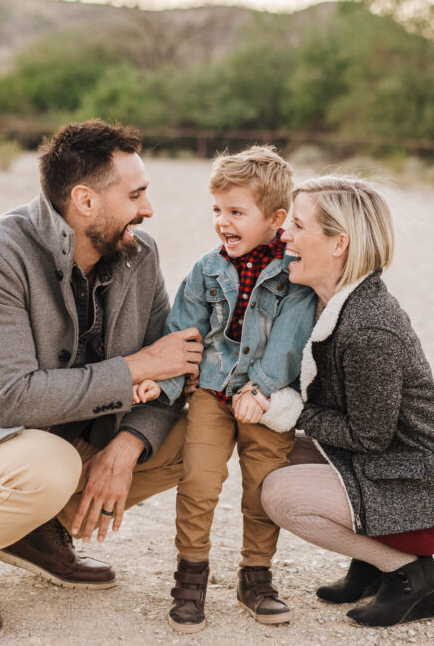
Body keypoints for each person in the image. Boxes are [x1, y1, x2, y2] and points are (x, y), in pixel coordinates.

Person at [0, 120, 204, 641]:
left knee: (196, 437)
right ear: (85, 201)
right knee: (48, 466)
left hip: (65, 440)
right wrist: (138, 367)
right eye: (136, 194)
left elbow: (174, 370)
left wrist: (129, 442)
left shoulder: (140, 254)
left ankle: (31, 530)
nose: (148, 210)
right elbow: (12, 401)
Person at [259, 176, 434, 628]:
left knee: (280, 495)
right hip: (396, 463)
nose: (285, 235)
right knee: (271, 455)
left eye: (298, 226)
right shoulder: (328, 303)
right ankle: (371, 564)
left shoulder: (367, 329)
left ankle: (408, 574)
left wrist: (290, 411)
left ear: (338, 243)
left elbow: (369, 436)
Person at [135, 146, 316, 633]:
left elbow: (290, 339)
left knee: (263, 488)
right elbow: (183, 333)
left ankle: (255, 575)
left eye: (237, 212)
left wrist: (262, 388)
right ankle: (191, 575)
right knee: (198, 483)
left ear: (277, 218)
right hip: (212, 396)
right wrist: (164, 382)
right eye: (217, 210)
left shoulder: (293, 273)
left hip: (262, 401)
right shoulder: (206, 270)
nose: (223, 222)